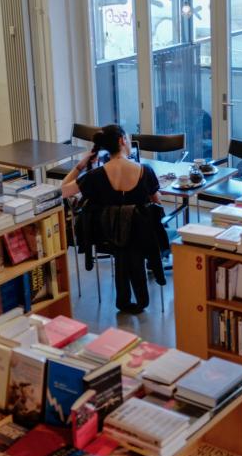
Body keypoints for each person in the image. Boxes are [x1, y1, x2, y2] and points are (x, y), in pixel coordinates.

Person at [62, 124, 167, 314]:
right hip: (141, 237)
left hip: (107, 235)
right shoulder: (145, 170)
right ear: (122, 141)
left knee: (123, 241)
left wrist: (80, 166)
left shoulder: (94, 176)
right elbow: (157, 202)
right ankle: (141, 297)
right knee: (136, 231)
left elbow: (63, 191)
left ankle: (124, 298)